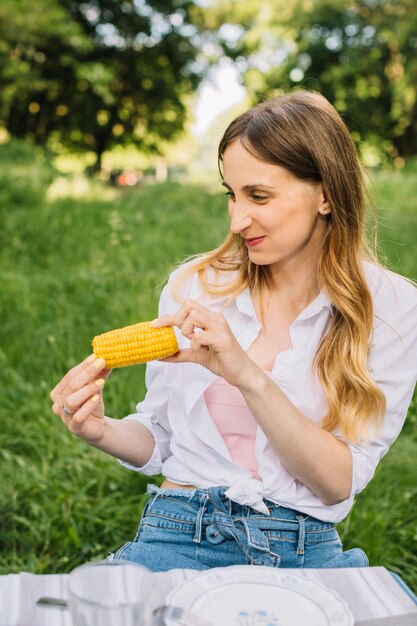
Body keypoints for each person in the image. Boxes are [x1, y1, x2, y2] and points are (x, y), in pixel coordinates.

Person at [50, 90, 417, 572]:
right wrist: (100, 430)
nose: (238, 220)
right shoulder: (196, 288)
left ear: (326, 193)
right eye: (232, 194)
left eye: (259, 196)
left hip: (302, 545)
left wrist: (246, 375)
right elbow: (160, 436)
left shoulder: (392, 306)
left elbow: (337, 481)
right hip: (180, 530)